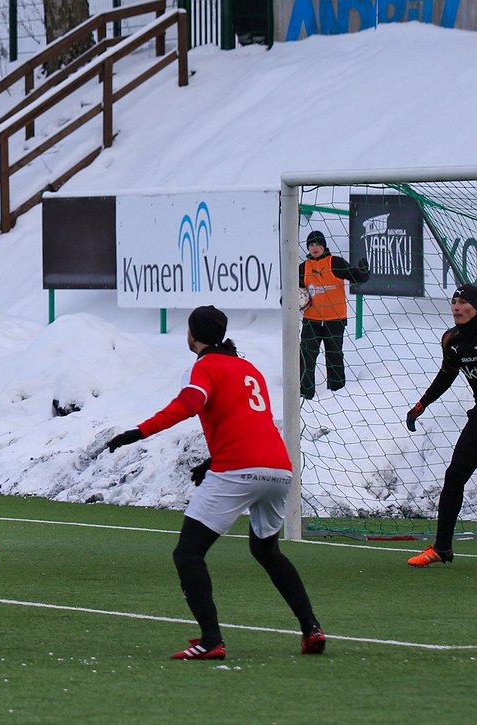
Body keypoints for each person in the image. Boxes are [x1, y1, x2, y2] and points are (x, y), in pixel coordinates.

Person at [105, 305, 325, 660]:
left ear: (192, 334)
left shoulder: (205, 366)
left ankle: (211, 639)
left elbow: (189, 404)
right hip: (279, 469)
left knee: (188, 553)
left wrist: (138, 432)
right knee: (266, 551)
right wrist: (211, 461)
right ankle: (311, 628)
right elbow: (248, 422)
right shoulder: (248, 368)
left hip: (238, 470)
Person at [405, 285, 477, 567]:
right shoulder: (452, 339)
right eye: (454, 302)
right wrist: (421, 404)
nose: (456, 307)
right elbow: (446, 376)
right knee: (455, 474)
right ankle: (442, 549)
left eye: (463, 302)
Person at [298, 230, 370, 399]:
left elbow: (355, 276)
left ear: (324, 246)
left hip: (334, 321)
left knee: (334, 356)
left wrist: (363, 273)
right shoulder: (303, 268)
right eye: (311, 245)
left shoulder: (335, 263)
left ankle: (337, 393)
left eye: (318, 244)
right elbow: (294, 289)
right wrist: (286, 300)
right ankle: (305, 393)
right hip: (311, 321)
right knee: (306, 356)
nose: (315, 248)